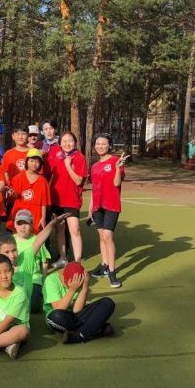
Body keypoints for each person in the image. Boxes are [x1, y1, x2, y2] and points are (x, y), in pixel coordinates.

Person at [89, 133, 128, 288]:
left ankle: (112, 271)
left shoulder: (115, 161)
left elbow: (117, 183)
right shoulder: (94, 166)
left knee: (107, 236)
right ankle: (104, 265)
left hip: (111, 205)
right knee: (102, 237)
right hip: (97, 206)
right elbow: (94, 189)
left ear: (110, 145)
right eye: (98, 144)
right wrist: (91, 208)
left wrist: (117, 168)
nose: (100, 146)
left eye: (104, 144)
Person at [43, 262, 115, 344]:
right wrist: (72, 290)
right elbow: (58, 308)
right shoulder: (51, 280)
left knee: (108, 303)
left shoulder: (80, 281)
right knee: (56, 316)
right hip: (60, 318)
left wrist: (84, 288)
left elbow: (77, 311)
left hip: (77, 317)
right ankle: (94, 328)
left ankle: (80, 335)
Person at [49, 131, 87, 266]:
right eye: (64, 141)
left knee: (75, 230)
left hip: (71, 200)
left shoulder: (79, 158)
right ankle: (63, 258)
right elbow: (52, 175)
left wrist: (68, 166)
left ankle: (77, 262)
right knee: (59, 230)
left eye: (70, 141)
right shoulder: (56, 156)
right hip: (56, 199)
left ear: (75, 143)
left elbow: (78, 181)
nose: (67, 144)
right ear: (60, 143)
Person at [12, 210, 51, 313]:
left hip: (34, 279)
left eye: (26, 223)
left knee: (34, 307)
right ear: (15, 225)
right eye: (20, 223)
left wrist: (43, 282)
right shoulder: (10, 240)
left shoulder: (37, 240)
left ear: (32, 224)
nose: (23, 227)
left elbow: (45, 262)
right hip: (15, 279)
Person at [7, 148, 50, 233]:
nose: (34, 164)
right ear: (26, 162)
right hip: (20, 211)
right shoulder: (18, 178)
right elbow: (16, 196)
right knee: (18, 236)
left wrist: (43, 218)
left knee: (34, 237)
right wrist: (12, 194)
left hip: (36, 213)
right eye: (31, 161)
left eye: (37, 161)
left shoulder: (42, 180)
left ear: (40, 164)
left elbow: (44, 202)